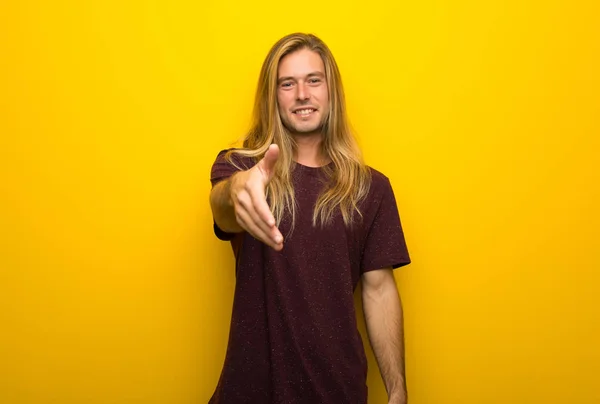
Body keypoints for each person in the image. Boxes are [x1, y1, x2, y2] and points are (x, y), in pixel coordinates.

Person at [208, 32, 411, 404]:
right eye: (288, 84)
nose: (302, 94)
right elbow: (223, 209)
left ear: (331, 90)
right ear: (273, 97)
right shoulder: (240, 168)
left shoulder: (372, 188)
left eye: (313, 80)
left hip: (338, 392)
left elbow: (379, 290)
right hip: (251, 392)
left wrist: (398, 390)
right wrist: (236, 190)